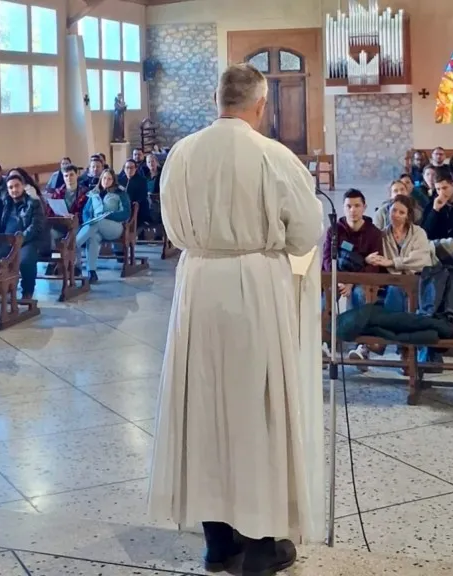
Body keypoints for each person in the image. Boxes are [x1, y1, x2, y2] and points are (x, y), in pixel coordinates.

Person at [148, 63, 325, 575]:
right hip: (253, 286)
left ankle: (217, 542)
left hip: (198, 284)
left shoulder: (181, 153)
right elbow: (305, 233)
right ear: (261, 105)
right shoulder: (273, 156)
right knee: (257, 409)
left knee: (202, 408)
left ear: (217, 101)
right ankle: (263, 545)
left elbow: (171, 226)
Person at [75, 169, 131, 283]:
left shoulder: (120, 193)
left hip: (114, 227)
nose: (106, 181)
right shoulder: (94, 193)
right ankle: (92, 272)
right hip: (95, 226)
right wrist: (88, 220)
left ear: (113, 180)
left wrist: (109, 215)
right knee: (93, 237)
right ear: (101, 179)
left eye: (109, 179)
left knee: (95, 223)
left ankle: (75, 244)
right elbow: (86, 211)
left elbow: (126, 213)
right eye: (104, 178)